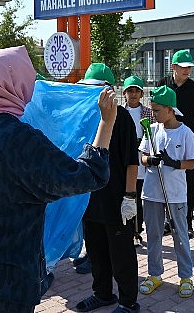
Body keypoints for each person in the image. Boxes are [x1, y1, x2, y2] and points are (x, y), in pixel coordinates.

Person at [0, 46, 116, 312]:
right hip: (7, 271)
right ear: (10, 84)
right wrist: (106, 122)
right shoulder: (18, 138)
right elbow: (85, 175)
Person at [75, 64, 140, 313]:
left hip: (116, 199)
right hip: (91, 198)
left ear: (109, 91)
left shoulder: (121, 118)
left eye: (98, 90)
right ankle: (102, 293)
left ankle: (128, 302)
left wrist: (130, 196)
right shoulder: (86, 115)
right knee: (96, 250)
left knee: (121, 254)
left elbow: (131, 161)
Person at [138, 85, 194, 299]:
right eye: (152, 109)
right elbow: (143, 156)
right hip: (152, 191)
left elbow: (191, 163)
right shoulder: (151, 129)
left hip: (175, 193)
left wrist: (174, 162)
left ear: (170, 109)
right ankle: (155, 274)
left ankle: (185, 277)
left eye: (157, 110)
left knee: (180, 235)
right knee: (153, 234)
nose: (153, 114)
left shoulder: (185, 133)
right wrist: (149, 160)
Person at [158, 50, 194, 237]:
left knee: (188, 181)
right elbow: (157, 110)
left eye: (189, 67)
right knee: (166, 178)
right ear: (173, 67)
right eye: (184, 67)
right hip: (166, 137)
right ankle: (168, 221)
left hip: (187, 138)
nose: (187, 70)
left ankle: (186, 221)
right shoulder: (163, 84)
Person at [122, 75, 155, 247]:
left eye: (136, 91)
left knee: (140, 195)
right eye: (130, 91)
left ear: (141, 94)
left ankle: (137, 231)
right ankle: (127, 230)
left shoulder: (149, 113)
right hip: (125, 158)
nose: (133, 94)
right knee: (128, 194)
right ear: (124, 93)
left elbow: (153, 134)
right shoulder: (120, 111)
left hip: (142, 157)